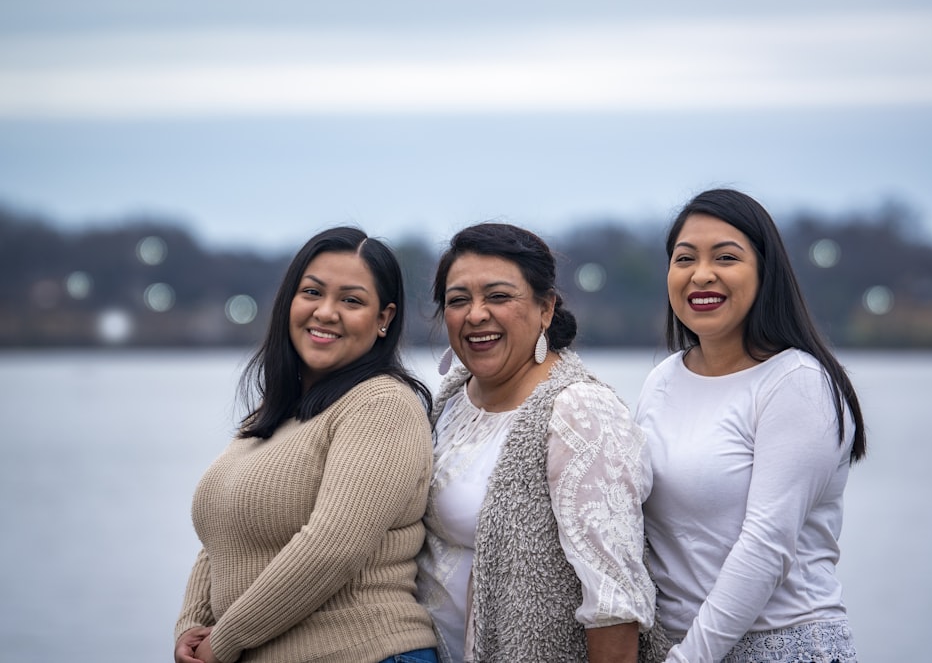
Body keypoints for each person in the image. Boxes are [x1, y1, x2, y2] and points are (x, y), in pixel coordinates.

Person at [173, 227, 439, 663]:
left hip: (365, 652)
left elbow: (332, 548)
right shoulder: (273, 415)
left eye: (351, 301)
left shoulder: (382, 405)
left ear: (384, 319)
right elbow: (220, 538)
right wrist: (190, 627)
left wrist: (223, 642)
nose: (326, 312)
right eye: (312, 292)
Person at [415, 222, 665, 663]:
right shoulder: (451, 403)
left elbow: (614, 601)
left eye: (498, 296)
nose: (475, 315)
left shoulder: (580, 412)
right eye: (458, 301)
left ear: (546, 308)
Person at [636, 189, 867, 663]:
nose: (702, 274)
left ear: (765, 272)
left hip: (782, 645)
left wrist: (688, 660)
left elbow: (766, 546)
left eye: (726, 257)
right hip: (673, 645)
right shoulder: (663, 380)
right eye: (685, 259)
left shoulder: (795, 382)